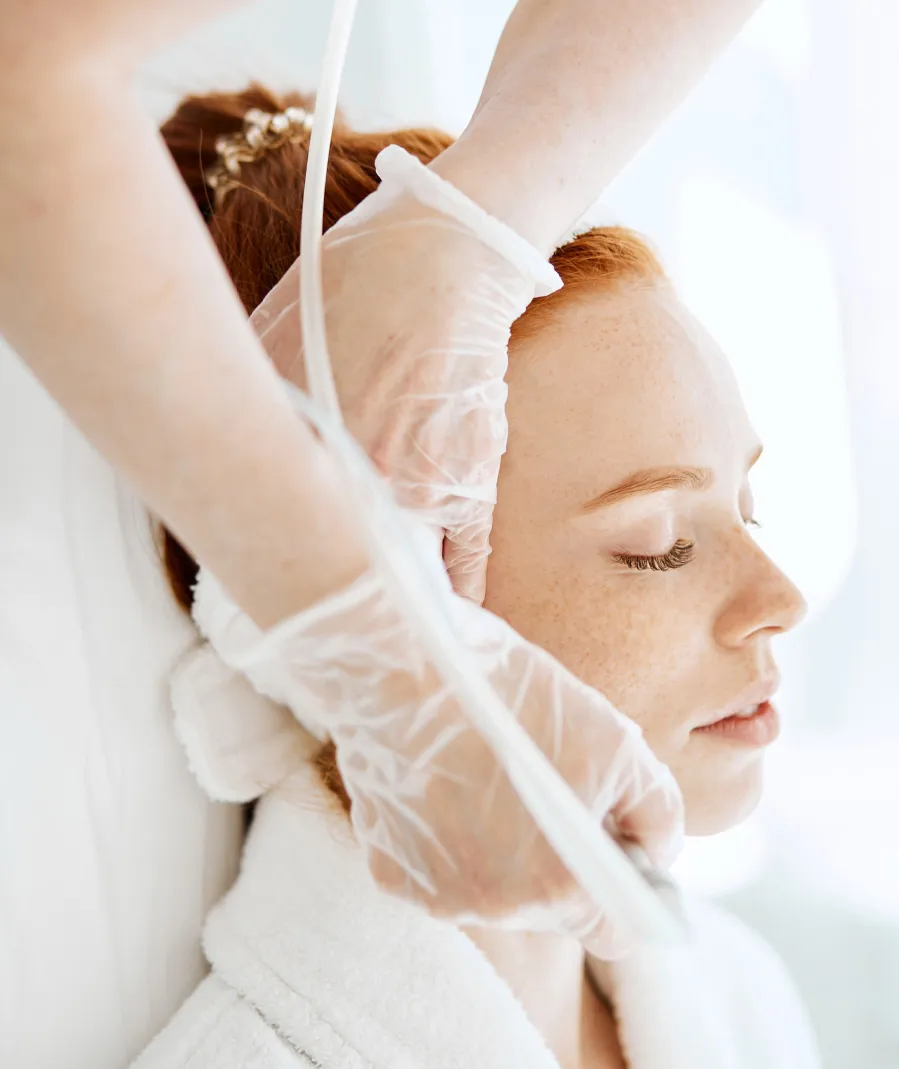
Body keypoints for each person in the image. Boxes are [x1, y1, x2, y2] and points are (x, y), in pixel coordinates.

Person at [0, 1, 764, 1063]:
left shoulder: (743, 1002)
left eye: (750, 506)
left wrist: (482, 213)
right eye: (656, 544)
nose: (784, 596)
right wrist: (376, 656)